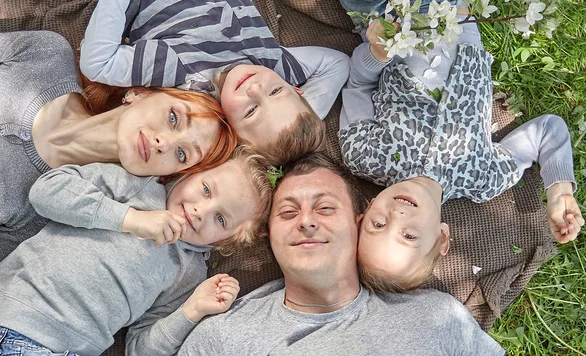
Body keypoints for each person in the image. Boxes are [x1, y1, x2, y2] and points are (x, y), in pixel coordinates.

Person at [338, 6, 585, 292]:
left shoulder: (365, 156)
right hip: (453, 17)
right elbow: (546, 131)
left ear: (364, 213)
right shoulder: (483, 178)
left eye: (378, 225)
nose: (396, 216)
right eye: (409, 235)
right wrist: (559, 191)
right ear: (442, 237)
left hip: (387, 18)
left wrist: (376, 54)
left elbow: (356, 84)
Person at [178, 152, 505, 355]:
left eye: (324, 207)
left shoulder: (435, 316)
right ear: (269, 236)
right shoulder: (224, 338)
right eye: (288, 213)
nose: (306, 221)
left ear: (358, 223)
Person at [0, 145, 272, 356]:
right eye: (205, 189)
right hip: (20, 316)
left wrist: (190, 312)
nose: (202, 211)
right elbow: (46, 191)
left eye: (221, 219)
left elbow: (139, 349)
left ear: (226, 242)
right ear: (192, 171)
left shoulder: (189, 272)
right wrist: (130, 219)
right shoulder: (135, 185)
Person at [0, 30, 237, 260]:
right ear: (139, 93)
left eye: (182, 154)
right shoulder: (48, 55)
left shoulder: (48, 216)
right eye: (173, 118)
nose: (164, 143)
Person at [79, 0, 351, 164]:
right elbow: (338, 63)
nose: (255, 88)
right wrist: (303, 111)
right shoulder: (277, 66)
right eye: (276, 92)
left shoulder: (184, 74)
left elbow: (98, 64)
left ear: (230, 128)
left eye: (251, 110)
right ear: (295, 87)